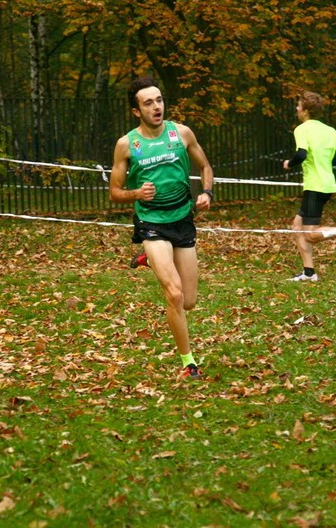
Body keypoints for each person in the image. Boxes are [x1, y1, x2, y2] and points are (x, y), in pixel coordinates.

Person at [109, 76, 214, 379]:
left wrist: (207, 193)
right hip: (151, 223)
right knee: (175, 295)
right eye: (148, 103)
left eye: (159, 100)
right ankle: (188, 363)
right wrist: (136, 193)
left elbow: (205, 167)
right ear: (136, 111)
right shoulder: (127, 145)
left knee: (190, 301)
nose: (156, 107)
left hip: (182, 219)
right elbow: (115, 192)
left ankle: (149, 259)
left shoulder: (181, 133)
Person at [282, 90, 336, 282]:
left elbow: (301, 154)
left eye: (298, 105)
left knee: (310, 235)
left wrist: (289, 163)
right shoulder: (330, 130)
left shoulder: (302, 129)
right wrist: (326, 163)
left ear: (306, 110)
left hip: (315, 186)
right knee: (297, 226)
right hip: (327, 184)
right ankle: (309, 273)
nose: (297, 108)